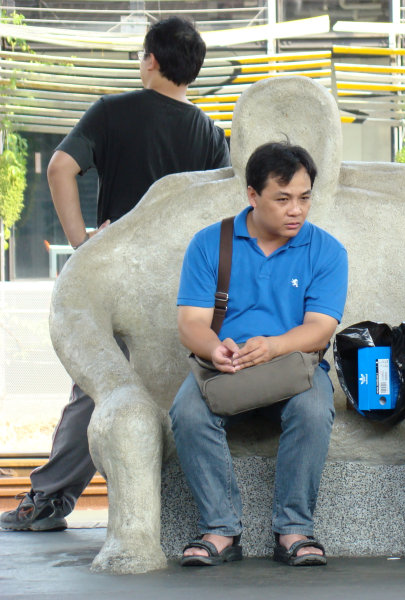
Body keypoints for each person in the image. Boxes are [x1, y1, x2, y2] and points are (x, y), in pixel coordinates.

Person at [0, 16, 230, 532]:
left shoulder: (113, 112)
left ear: (150, 60)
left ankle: (49, 499)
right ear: (192, 71)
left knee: (101, 384)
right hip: (187, 287)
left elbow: (60, 167)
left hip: (123, 278)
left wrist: (82, 243)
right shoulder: (212, 135)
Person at [170, 142, 347, 567]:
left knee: (314, 408)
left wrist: (274, 346)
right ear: (252, 195)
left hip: (293, 367)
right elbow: (189, 323)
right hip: (225, 367)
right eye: (282, 199)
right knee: (187, 413)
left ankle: (294, 531)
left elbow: (321, 327)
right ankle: (221, 530)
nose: (296, 210)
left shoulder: (326, 250)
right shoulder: (211, 243)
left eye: (304, 198)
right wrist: (216, 348)